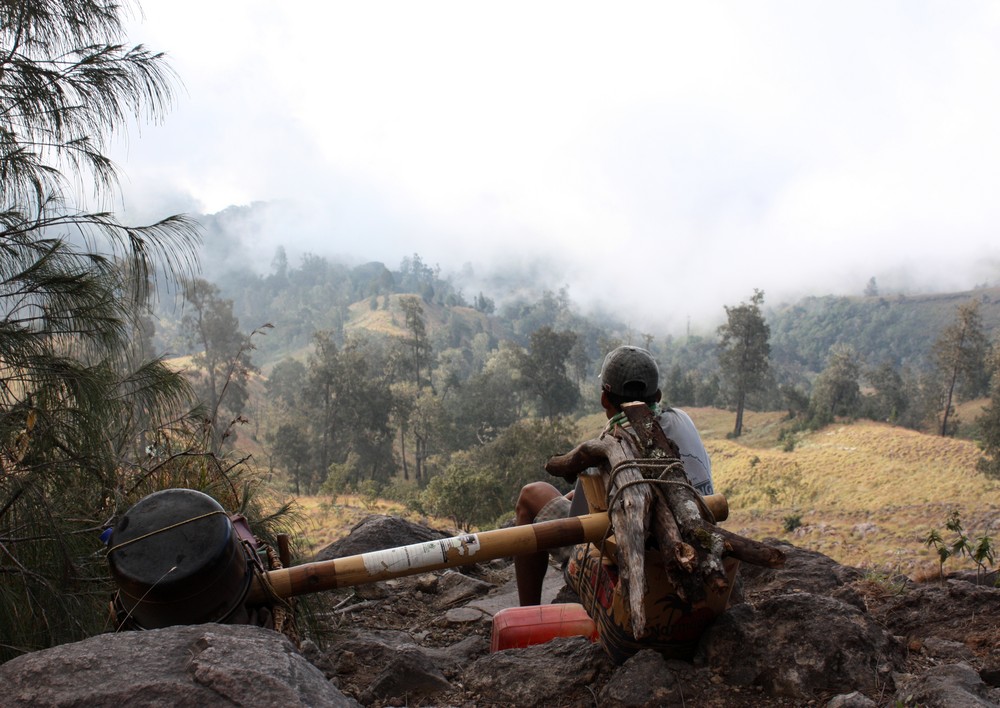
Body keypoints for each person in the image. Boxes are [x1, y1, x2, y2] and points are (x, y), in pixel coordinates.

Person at [513, 345, 714, 606]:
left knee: (532, 495)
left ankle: (529, 612)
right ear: (659, 395)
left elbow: (579, 526)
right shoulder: (682, 420)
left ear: (604, 400)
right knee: (573, 495)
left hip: (643, 560)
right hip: (697, 544)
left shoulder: (610, 444)